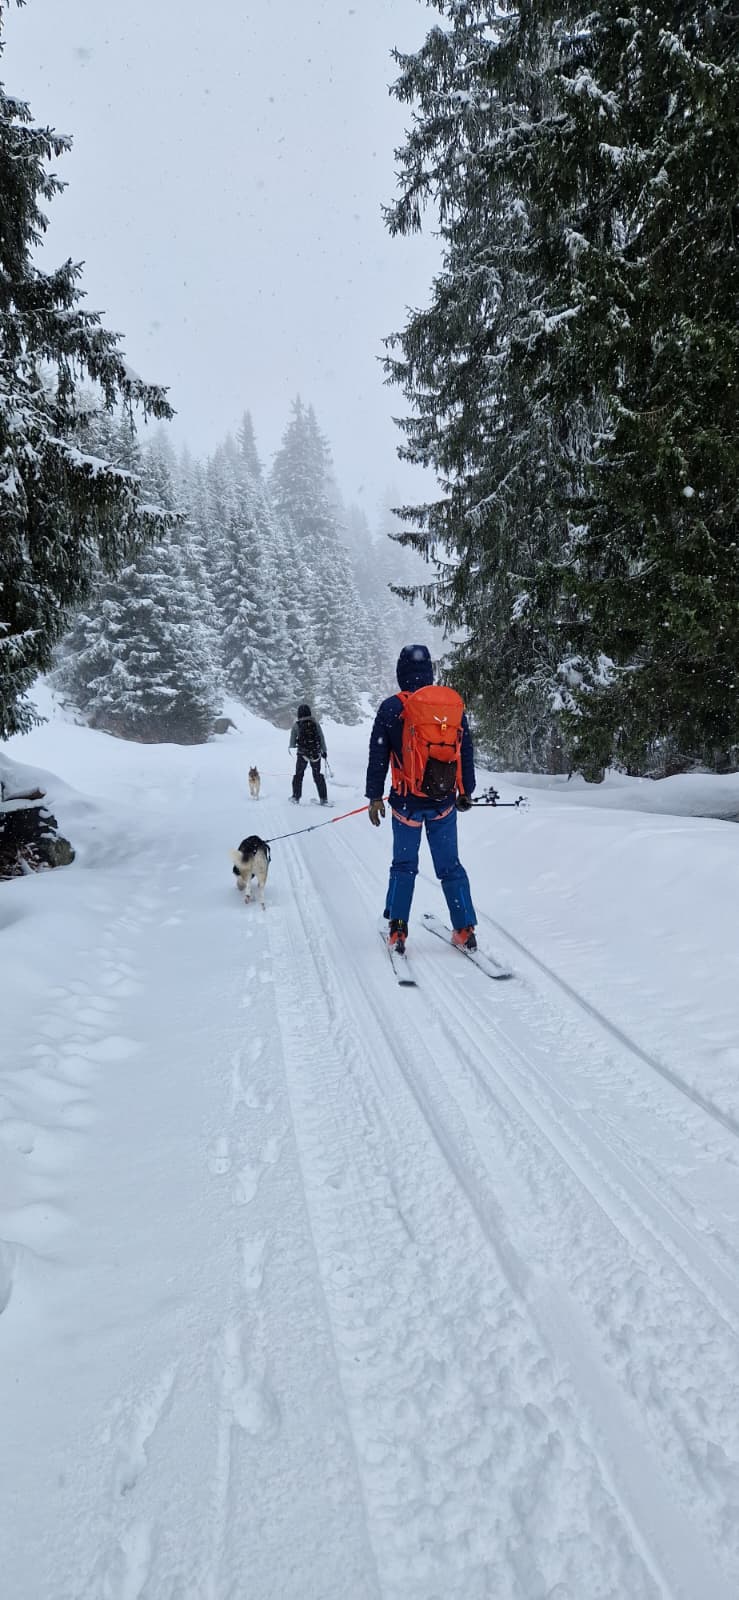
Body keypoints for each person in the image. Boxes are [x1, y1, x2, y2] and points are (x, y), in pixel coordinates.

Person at [365, 644, 477, 954]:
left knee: (403, 866)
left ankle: (397, 928)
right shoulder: (450, 709)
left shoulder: (391, 708)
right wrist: (466, 790)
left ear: (401, 673)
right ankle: (465, 928)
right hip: (443, 803)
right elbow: (464, 749)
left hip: (406, 805)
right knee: (450, 866)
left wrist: (375, 796)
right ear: (430, 672)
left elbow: (378, 755)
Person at [289, 703, 328, 803]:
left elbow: (292, 744)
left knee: (299, 775)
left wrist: (296, 747)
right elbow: (321, 737)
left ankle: (296, 797)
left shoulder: (296, 726)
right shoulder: (315, 723)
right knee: (317, 775)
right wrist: (324, 751)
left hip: (302, 754)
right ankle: (323, 798)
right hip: (316, 753)